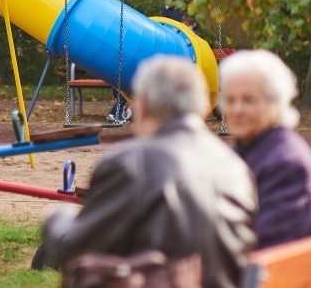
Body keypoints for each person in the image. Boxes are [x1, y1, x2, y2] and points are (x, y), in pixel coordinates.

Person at [32, 55, 257, 288]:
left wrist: (58, 219)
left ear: (144, 106)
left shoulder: (131, 163)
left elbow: (76, 247)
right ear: (201, 106)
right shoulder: (237, 166)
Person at [220, 50, 311, 249]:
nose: (237, 110)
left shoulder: (287, 163)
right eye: (231, 100)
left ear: (276, 104)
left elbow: (267, 242)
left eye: (249, 100)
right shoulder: (241, 149)